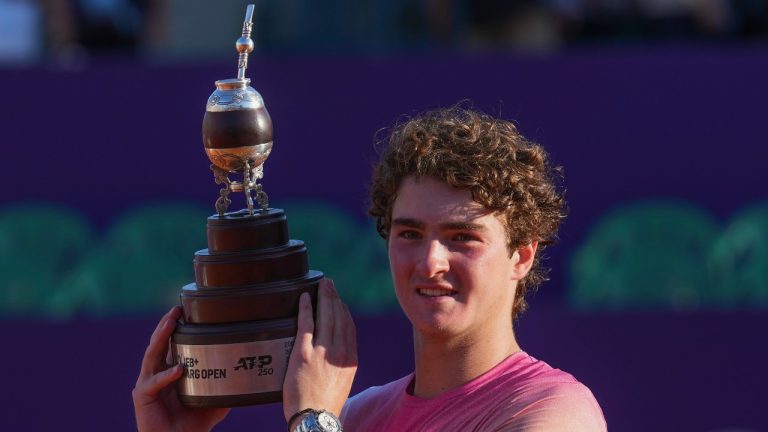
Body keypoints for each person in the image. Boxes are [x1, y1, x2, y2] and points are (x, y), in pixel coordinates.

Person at [133, 105, 606, 431]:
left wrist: (313, 418)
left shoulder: (554, 410)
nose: (430, 261)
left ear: (521, 255)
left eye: (463, 237)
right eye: (409, 234)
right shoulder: (355, 418)